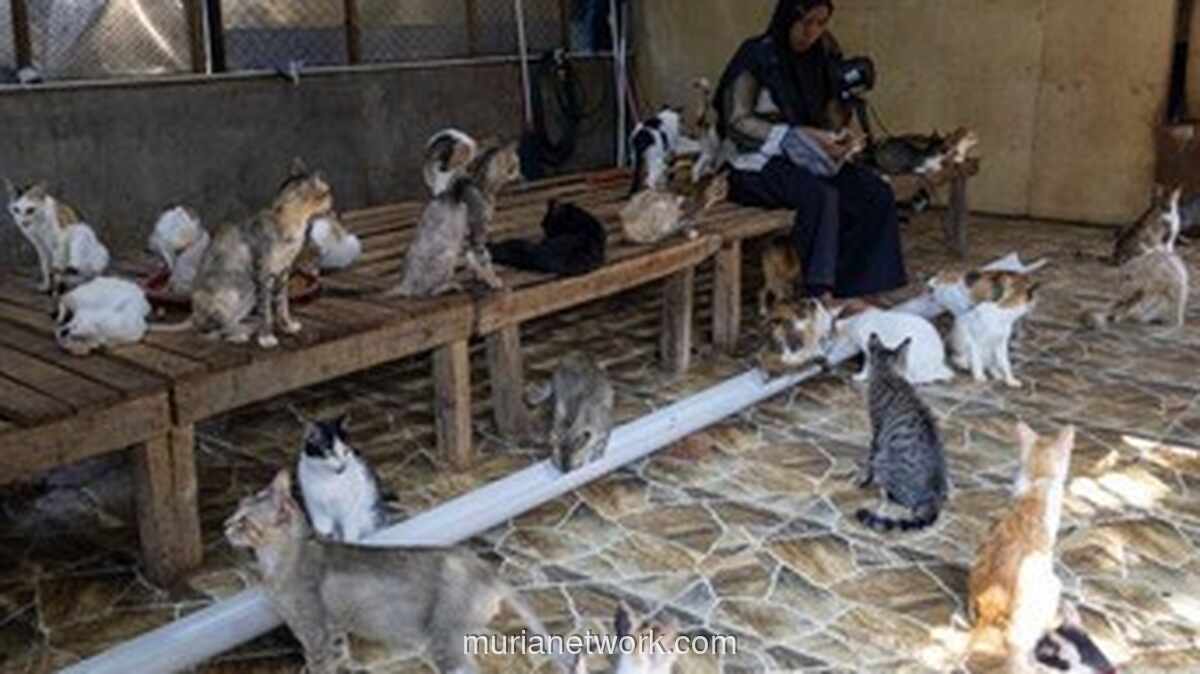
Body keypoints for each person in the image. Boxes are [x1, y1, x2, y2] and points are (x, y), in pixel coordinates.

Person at [714, 0, 907, 300]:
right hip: (752, 163)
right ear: (787, 18)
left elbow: (828, 113)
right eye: (805, 23)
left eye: (820, 24)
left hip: (806, 158)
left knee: (874, 192)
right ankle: (820, 295)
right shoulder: (758, 56)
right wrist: (794, 135)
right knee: (820, 196)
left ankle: (858, 289)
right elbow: (737, 122)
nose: (811, 32)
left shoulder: (822, 55)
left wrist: (839, 138)